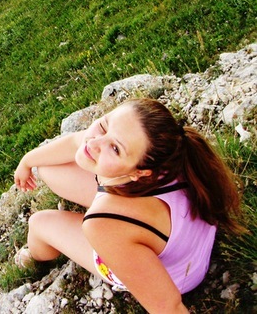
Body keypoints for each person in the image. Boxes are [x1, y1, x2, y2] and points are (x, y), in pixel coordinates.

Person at [14, 98, 244, 313]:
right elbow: (78, 141)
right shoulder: (161, 154)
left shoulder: (102, 223)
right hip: (182, 236)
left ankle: (31, 258)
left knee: (38, 223)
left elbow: (169, 307)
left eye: (115, 148)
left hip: (175, 275)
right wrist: (27, 161)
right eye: (104, 126)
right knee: (48, 167)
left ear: (140, 173)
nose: (95, 142)